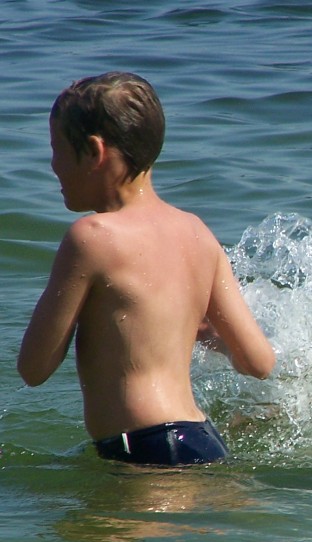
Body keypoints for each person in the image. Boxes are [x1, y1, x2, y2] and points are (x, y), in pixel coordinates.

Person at [17, 72, 275, 466]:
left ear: (94, 151)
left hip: (146, 449)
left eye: (57, 150)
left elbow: (34, 368)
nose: (52, 165)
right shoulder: (197, 232)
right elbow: (259, 363)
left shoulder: (91, 238)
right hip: (202, 439)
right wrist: (199, 334)